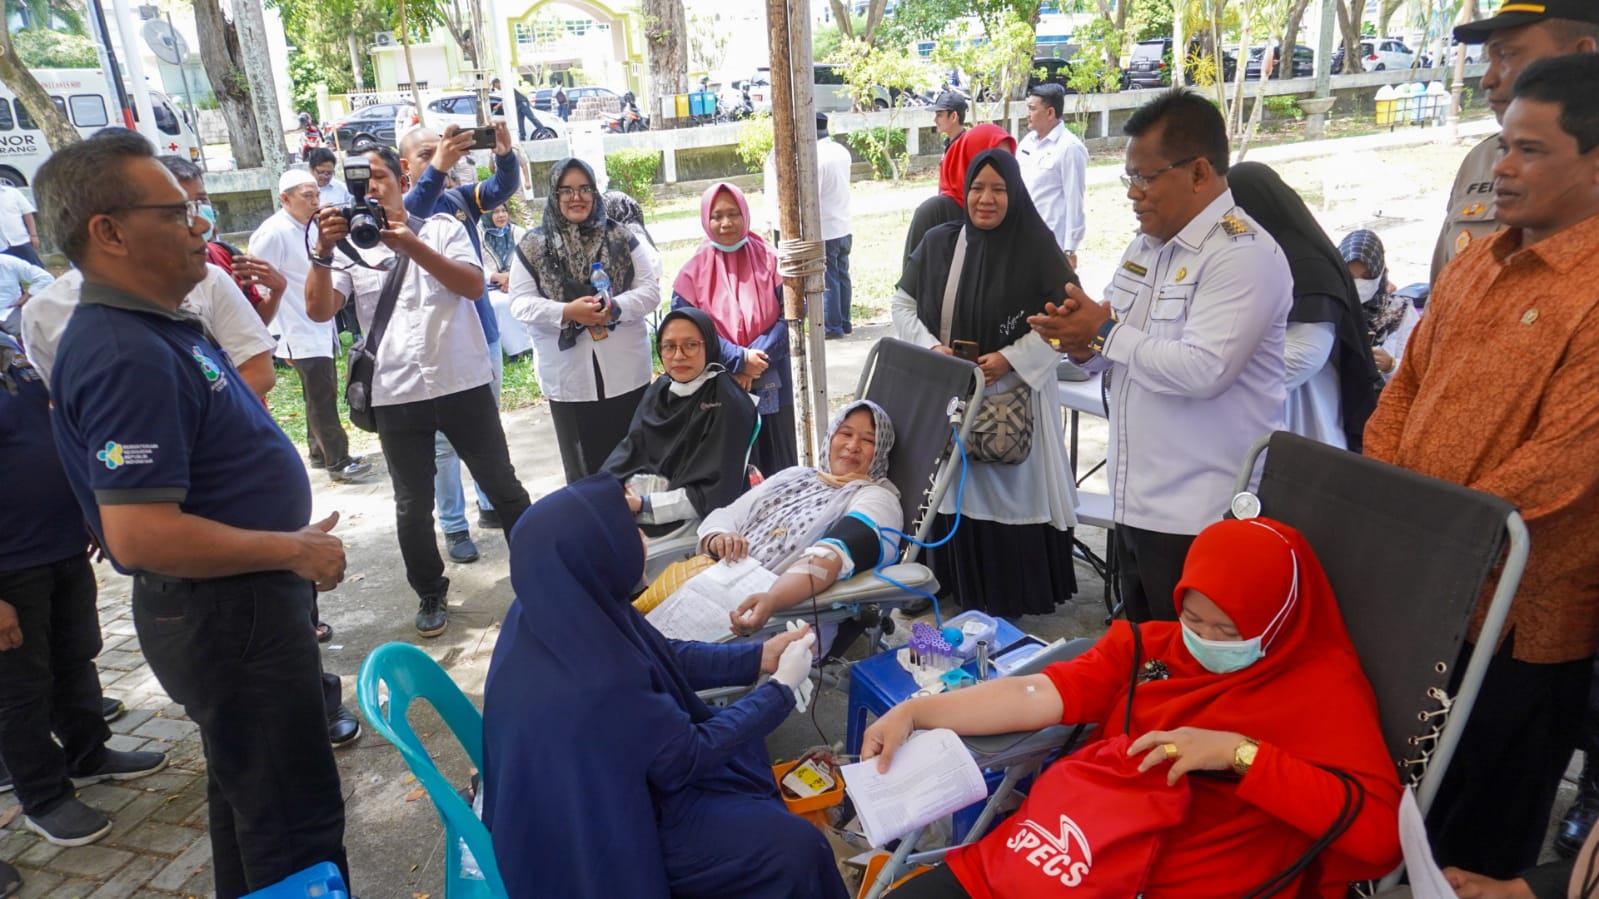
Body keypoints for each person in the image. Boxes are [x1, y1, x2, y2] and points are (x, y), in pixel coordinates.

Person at [36, 128, 350, 898]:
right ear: (107, 232)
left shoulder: (154, 324)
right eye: (176, 214)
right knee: (292, 820)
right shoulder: (121, 350)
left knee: (256, 803)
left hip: (239, 607)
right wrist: (291, 549)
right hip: (227, 617)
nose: (199, 229)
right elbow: (140, 533)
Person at [865, 517, 1402, 899]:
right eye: (1195, 619)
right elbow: (1039, 693)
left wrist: (1242, 756)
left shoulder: (1320, 691)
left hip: (1193, 878)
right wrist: (919, 713)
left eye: (1230, 631)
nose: (1207, 639)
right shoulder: (1152, 646)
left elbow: (1380, 837)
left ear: (1279, 620)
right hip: (1071, 852)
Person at [1364, 53, 1599, 880]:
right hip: (1419, 594)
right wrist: (1393, 518)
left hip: (1519, 628)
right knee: (1393, 807)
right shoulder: (1476, 259)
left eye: (1529, 150)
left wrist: (1418, 531)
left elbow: (1562, 468)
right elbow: (1403, 388)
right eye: (1502, 145)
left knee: (1473, 849)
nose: (1500, 168)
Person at [481, 474, 847, 899]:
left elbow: (658, 653)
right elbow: (688, 757)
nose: (639, 536)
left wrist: (758, 658)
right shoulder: (599, 683)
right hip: (606, 836)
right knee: (795, 848)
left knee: (745, 759)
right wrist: (782, 688)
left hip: (568, 793)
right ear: (600, 550)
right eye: (627, 528)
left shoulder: (556, 604)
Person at [1028, 88, 1292, 623]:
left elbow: (1203, 370)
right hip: (1138, 499)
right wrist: (1078, 342)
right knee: (1144, 659)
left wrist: (1103, 334)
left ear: (1199, 173)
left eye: (1145, 178)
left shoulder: (1241, 256)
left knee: (1190, 674)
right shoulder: (1145, 247)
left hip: (1201, 515)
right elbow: (1115, 349)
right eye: (1129, 179)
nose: (1134, 194)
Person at [305, 145, 532, 638]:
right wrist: (322, 254)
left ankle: (542, 575)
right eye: (361, 182)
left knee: (503, 486)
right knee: (412, 505)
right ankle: (430, 591)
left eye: (381, 177)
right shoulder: (352, 245)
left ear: (402, 177)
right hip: (395, 393)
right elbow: (321, 311)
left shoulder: (441, 227)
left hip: (461, 383)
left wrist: (411, 246)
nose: (372, 189)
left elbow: (472, 286)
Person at [893, 149, 1079, 617]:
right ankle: (947, 582)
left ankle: (1007, 594)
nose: (986, 199)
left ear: (1014, 194)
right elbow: (902, 304)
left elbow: (1069, 320)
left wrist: (1011, 359)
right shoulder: (940, 243)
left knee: (1005, 489)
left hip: (1012, 398)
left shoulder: (1037, 247)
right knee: (949, 491)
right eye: (978, 188)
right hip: (953, 392)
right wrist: (932, 350)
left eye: (998, 189)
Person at [0, 334, 168, 846]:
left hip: (61, 544)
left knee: (76, 657)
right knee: (18, 690)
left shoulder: (11, 351)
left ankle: (87, 752)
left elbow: (54, 436)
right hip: (9, 566)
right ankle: (44, 796)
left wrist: (89, 514)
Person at [22, 158, 279, 403]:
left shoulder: (210, 278)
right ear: (110, 229)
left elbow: (257, 369)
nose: (200, 222)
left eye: (200, 204)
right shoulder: (45, 312)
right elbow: (66, 404)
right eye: (178, 212)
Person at [400, 123, 522, 562]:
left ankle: (490, 503)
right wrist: (440, 166)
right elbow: (413, 209)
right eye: (427, 153)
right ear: (405, 166)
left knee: (486, 433)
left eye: (445, 150)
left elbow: (502, 187)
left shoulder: (457, 200)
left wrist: (505, 155)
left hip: (482, 335)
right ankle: (453, 526)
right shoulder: (404, 213)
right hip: (432, 352)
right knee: (443, 445)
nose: (442, 158)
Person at [511, 158, 660, 483]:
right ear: (553, 194)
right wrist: (566, 312)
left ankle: (639, 533)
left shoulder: (620, 236)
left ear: (594, 192)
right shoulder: (534, 246)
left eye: (584, 189)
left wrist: (616, 307)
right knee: (584, 477)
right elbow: (520, 303)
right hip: (569, 381)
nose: (575, 197)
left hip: (626, 375)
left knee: (635, 471)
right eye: (566, 190)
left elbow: (650, 291)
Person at [1430, 1, 1599, 281]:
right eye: (1488, 59)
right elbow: (1441, 294)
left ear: (1580, 54)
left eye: (1506, 55)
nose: (1487, 80)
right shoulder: (1482, 160)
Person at [706, 400, 903, 640]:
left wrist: (772, 600)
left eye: (868, 440)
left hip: (781, 620)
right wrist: (719, 537)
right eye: (846, 433)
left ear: (881, 450)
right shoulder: (795, 476)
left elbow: (830, 556)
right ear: (830, 437)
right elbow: (727, 515)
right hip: (717, 586)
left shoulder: (877, 499)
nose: (852, 446)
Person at [1227, 161, 1378, 451]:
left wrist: (1223, 382)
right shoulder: (1257, 252)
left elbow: (1306, 352)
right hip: (1263, 423)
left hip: (1307, 424)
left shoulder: (1307, 264)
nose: (1229, 223)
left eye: (1233, 211)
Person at [251, 169, 369, 481]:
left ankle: (318, 451)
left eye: (317, 194)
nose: (315, 201)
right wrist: (275, 334)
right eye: (307, 196)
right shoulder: (273, 233)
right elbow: (258, 286)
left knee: (315, 392)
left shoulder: (314, 228)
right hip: (295, 327)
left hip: (318, 323)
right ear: (285, 198)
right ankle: (338, 460)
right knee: (322, 395)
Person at [672, 182, 796, 474]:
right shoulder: (691, 274)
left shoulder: (772, 261)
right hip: (717, 388)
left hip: (773, 380)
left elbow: (790, 318)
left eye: (733, 213)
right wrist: (739, 360)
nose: (725, 223)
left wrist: (754, 360)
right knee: (733, 473)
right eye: (716, 216)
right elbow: (688, 334)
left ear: (745, 215)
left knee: (779, 467)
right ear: (706, 219)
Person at [605, 307, 757, 535]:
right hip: (637, 502)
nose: (678, 356)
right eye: (669, 346)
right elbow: (630, 451)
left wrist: (643, 504)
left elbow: (714, 491)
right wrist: (609, 490)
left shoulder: (728, 402)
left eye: (690, 345)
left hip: (697, 522)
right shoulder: (660, 390)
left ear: (710, 345)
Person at [903, 123, 1016, 264]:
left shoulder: (1013, 213)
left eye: (1008, 160)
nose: (1002, 168)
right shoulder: (935, 213)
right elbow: (913, 278)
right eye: (993, 160)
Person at [1018, 83, 1088, 269]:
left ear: (1050, 113)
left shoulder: (1069, 148)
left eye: (1032, 109)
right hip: (1022, 237)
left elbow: (1075, 200)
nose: (1028, 114)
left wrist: (1069, 249)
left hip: (1051, 243)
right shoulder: (1027, 143)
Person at [1339, 229, 1418, 384]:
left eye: (1367, 277)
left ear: (1380, 273)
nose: (1359, 284)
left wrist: (1391, 365)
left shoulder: (1399, 311)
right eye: (1351, 277)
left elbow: (1416, 369)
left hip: (1383, 400)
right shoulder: (1328, 308)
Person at [817, 114, 854, 338]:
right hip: (844, 223)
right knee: (842, 274)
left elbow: (814, 194)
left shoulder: (816, 156)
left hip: (825, 227)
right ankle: (845, 321)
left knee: (827, 277)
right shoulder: (841, 151)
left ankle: (832, 326)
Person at [482, 204, 532, 360]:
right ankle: (516, 350)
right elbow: (475, 264)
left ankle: (531, 345)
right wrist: (497, 278)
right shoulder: (478, 234)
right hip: (490, 286)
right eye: (495, 211)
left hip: (517, 282)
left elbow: (528, 260)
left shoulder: (518, 232)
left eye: (504, 211)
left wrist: (512, 280)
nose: (501, 215)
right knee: (500, 304)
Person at [0, 251, 52, 338]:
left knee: (35, 336)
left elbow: (45, 278)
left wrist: (28, 295)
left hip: (7, 312)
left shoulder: (8, 262)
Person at [0, 182, 42, 265]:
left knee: (37, 270)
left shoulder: (13, 193)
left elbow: (27, 214)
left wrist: (33, 235)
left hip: (21, 240)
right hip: (2, 246)